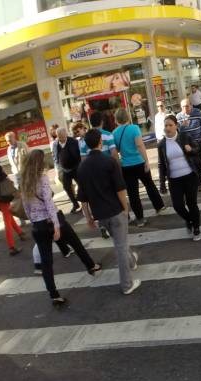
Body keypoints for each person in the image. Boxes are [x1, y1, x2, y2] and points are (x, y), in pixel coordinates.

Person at [19, 149, 100, 304]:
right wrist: (56, 226)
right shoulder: (41, 178)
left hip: (37, 225)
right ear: (39, 162)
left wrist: (33, 221)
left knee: (46, 262)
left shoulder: (24, 180)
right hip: (52, 220)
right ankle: (91, 266)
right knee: (75, 242)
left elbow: (25, 206)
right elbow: (49, 204)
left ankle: (54, 294)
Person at [76, 129, 141, 295]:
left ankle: (132, 261)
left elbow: (82, 198)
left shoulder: (82, 167)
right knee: (120, 246)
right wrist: (125, 207)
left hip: (100, 215)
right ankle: (126, 285)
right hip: (115, 210)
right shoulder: (109, 162)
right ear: (100, 142)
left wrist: (88, 217)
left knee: (120, 242)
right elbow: (120, 188)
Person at [112, 108, 165, 227]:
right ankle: (159, 206)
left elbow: (115, 151)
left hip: (126, 166)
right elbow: (140, 145)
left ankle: (140, 219)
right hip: (139, 162)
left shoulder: (114, 133)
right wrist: (146, 160)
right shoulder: (134, 128)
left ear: (116, 119)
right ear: (127, 117)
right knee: (149, 185)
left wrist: (120, 162)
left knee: (133, 193)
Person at [157, 115, 201, 241]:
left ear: (176, 125)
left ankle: (197, 229)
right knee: (177, 206)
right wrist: (162, 183)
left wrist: (191, 149)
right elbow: (161, 165)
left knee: (191, 203)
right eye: (166, 125)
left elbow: (197, 148)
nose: (168, 128)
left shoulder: (184, 137)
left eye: (170, 125)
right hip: (174, 179)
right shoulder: (161, 144)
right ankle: (189, 220)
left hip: (189, 176)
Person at [177, 98, 201, 192]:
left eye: (187, 106)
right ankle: (199, 184)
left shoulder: (197, 112)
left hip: (199, 143)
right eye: (183, 107)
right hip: (188, 146)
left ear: (191, 105)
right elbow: (178, 133)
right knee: (193, 166)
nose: (185, 108)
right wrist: (182, 126)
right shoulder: (179, 117)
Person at [51, 128, 82, 213]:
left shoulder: (74, 141)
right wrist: (58, 167)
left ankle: (85, 202)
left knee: (82, 185)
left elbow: (80, 154)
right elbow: (54, 156)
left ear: (66, 134)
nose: (62, 138)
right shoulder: (55, 144)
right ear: (57, 136)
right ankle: (75, 204)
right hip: (64, 169)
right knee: (67, 187)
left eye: (64, 136)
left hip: (76, 167)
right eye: (60, 137)